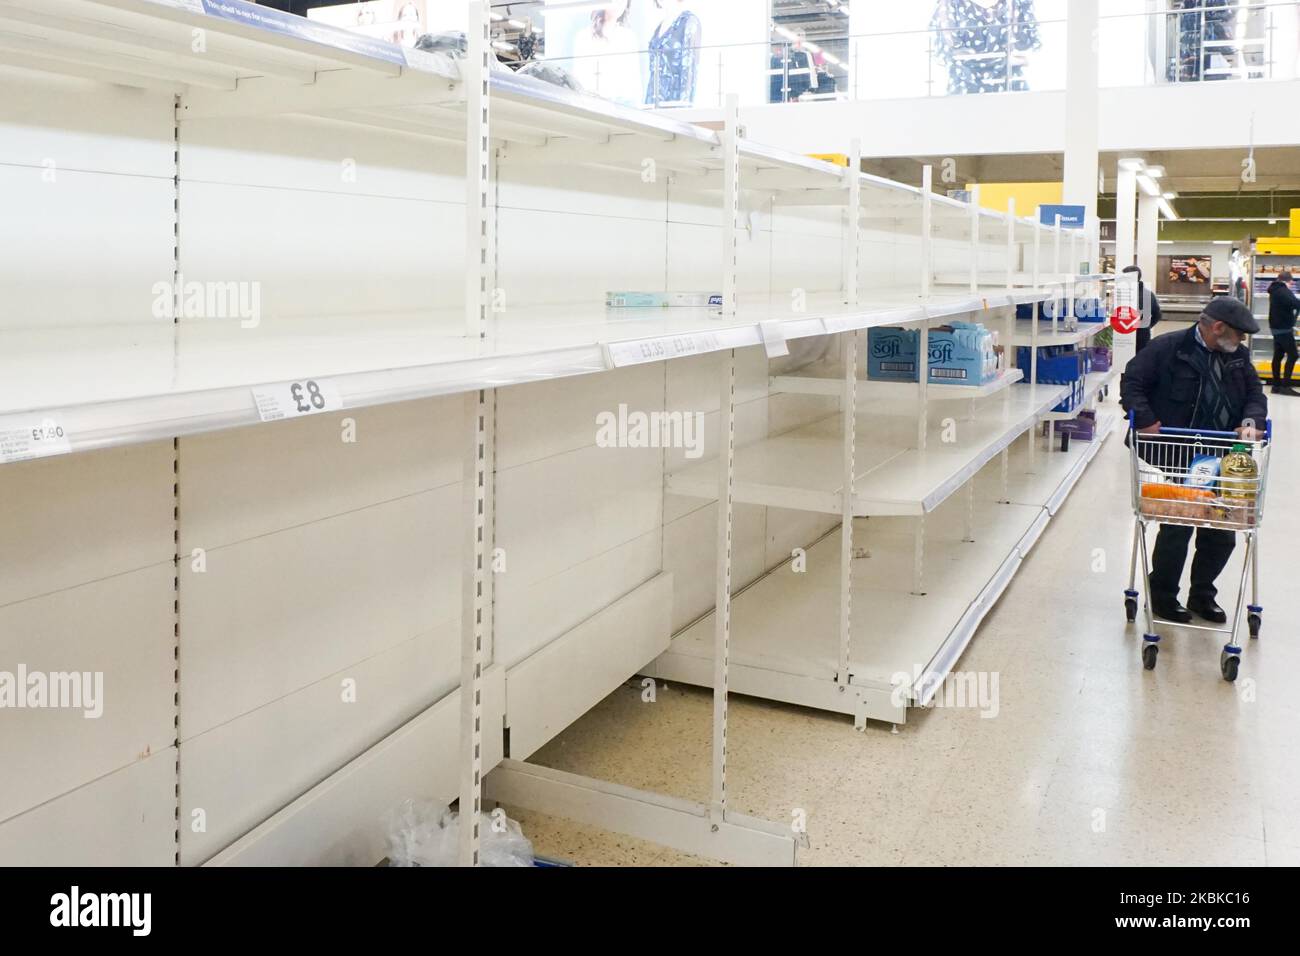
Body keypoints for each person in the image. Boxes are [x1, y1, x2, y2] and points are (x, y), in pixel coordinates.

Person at [1120, 297, 1267, 624]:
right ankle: (1163, 596)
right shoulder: (1168, 348)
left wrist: (1251, 422)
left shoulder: (1238, 357)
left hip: (1223, 455)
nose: (1241, 342)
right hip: (1177, 451)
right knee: (1179, 525)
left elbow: (1256, 396)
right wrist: (1143, 418)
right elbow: (1132, 383)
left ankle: (1202, 595)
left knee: (1222, 529)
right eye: (1238, 335)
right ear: (1218, 328)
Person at [1267, 270, 1300, 396]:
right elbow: (1296, 303)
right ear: (1288, 281)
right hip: (1283, 328)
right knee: (1293, 355)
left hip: (1276, 327)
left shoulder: (1275, 289)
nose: (1291, 284)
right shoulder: (1283, 290)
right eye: (1291, 282)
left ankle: (1276, 385)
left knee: (1278, 355)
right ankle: (1285, 386)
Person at [1122, 264, 1162, 353]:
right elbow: (1158, 315)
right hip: (1142, 334)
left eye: (1124, 277)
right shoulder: (1148, 294)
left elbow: (1157, 315)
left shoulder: (1125, 294)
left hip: (1132, 336)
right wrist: (1147, 326)